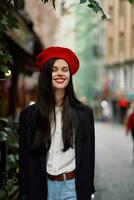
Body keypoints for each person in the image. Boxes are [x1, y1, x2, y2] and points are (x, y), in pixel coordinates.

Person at [19, 46, 95, 200]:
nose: (60, 73)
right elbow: (25, 159)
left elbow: (88, 158)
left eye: (65, 69)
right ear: (46, 74)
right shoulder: (28, 115)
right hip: (41, 187)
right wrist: (24, 192)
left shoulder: (84, 114)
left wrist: (87, 191)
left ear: (70, 75)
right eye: (55, 69)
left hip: (72, 188)